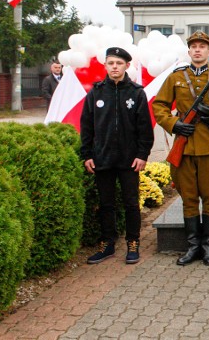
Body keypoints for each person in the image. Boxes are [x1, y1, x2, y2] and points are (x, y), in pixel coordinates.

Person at [153, 31, 209, 266]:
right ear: (189, 51)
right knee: (189, 199)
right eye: (194, 47)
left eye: (203, 46)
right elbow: (159, 106)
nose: (198, 50)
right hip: (185, 148)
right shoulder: (176, 78)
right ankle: (193, 247)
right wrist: (174, 124)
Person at [80, 47, 154, 265]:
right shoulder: (95, 92)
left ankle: (133, 242)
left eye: (119, 63)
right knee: (106, 204)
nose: (114, 67)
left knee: (131, 203)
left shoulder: (136, 93)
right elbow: (86, 127)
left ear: (126, 66)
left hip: (129, 160)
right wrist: (87, 155)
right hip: (102, 158)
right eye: (111, 63)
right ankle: (107, 244)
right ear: (105, 66)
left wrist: (142, 154)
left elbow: (144, 128)